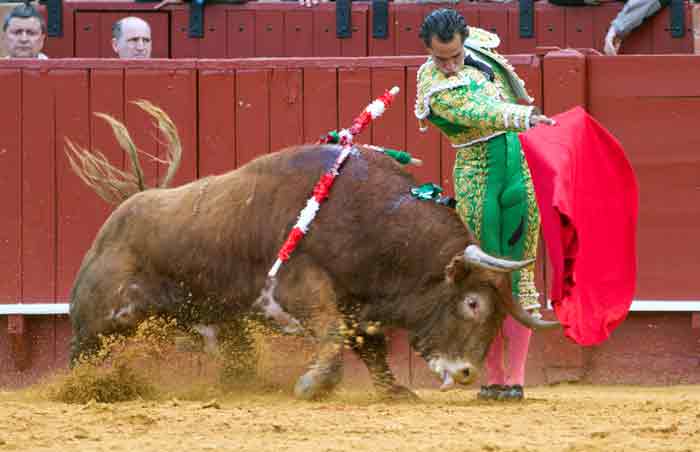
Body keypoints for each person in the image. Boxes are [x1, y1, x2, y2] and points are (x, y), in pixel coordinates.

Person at [415, 8, 555, 401]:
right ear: (428, 52)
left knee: (522, 273)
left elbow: (506, 92)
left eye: (455, 56)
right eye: (439, 58)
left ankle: (516, 379)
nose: (448, 65)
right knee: (486, 278)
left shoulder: (483, 51)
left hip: (517, 170)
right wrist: (523, 115)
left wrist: (522, 114)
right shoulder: (433, 84)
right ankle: (492, 375)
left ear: (465, 42)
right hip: (478, 177)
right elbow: (483, 111)